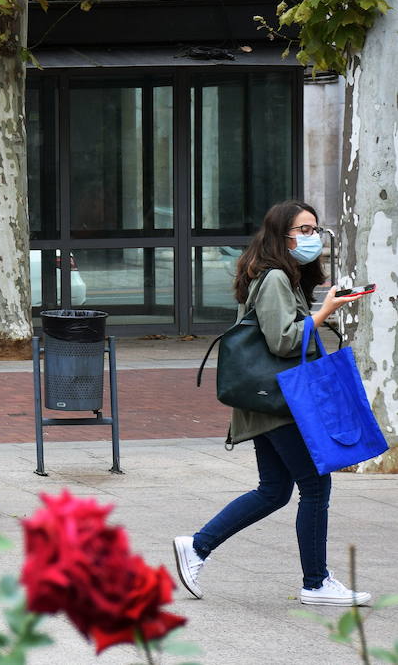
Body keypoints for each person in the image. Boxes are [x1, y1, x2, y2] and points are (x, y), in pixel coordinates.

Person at [173, 200, 371, 607]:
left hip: (267, 400)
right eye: (304, 230)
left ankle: (197, 546)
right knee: (315, 486)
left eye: (316, 229)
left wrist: (319, 306)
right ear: (281, 235)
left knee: (274, 490)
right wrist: (325, 312)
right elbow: (283, 339)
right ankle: (315, 583)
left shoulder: (278, 276)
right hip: (279, 400)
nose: (312, 237)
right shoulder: (276, 277)